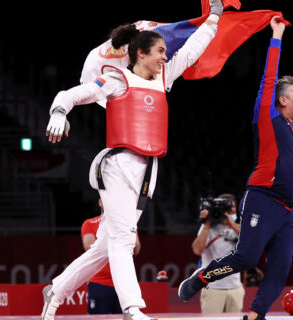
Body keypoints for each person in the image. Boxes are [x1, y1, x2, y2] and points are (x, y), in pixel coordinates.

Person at [40, 2, 224, 320]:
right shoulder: (114, 80)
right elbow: (70, 94)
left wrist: (214, 18)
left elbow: (193, 50)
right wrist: (59, 111)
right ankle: (133, 308)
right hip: (116, 166)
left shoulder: (164, 77)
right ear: (141, 53)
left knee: (105, 245)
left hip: (147, 170)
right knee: (124, 239)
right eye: (161, 51)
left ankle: (56, 290)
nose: (166, 56)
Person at [178, 16, 293, 320]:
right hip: (262, 198)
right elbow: (269, 76)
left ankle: (255, 315)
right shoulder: (268, 118)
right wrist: (276, 36)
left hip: (287, 211)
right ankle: (201, 278)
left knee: (278, 271)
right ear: (281, 100)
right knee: (247, 256)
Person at [81, 199, 141, 314]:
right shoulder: (89, 224)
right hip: (99, 283)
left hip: (123, 284)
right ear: (99, 202)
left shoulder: (128, 224)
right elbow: (91, 248)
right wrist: (121, 243)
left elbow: (136, 248)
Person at [191, 193, 244, 313]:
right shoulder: (207, 227)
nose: (229, 211)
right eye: (224, 208)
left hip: (235, 287)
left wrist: (231, 223)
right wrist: (206, 225)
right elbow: (197, 250)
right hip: (213, 288)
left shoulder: (238, 227)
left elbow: (251, 242)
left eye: (232, 207)